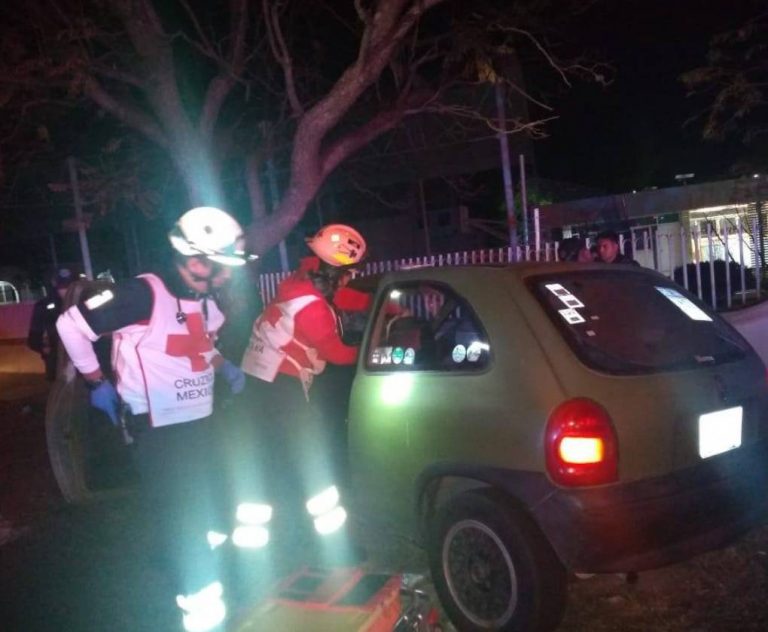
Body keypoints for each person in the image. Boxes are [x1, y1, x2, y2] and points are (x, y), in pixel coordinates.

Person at [56, 207, 253, 632]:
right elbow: (71, 326)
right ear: (195, 261)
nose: (225, 278)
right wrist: (96, 383)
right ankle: (199, 608)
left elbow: (200, 343)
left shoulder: (203, 299)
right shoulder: (142, 294)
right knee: (182, 514)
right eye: (219, 269)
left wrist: (223, 367)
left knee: (210, 504)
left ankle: (205, 571)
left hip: (200, 419)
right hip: (158, 427)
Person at [239, 224, 370, 554]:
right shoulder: (312, 306)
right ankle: (337, 546)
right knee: (312, 459)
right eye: (349, 273)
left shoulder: (300, 283)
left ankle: (279, 542)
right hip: (282, 387)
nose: (351, 279)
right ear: (334, 272)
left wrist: (381, 303)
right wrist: (370, 349)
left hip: (259, 381)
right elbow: (336, 353)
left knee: (274, 461)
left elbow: (344, 297)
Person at [27, 268, 75, 380]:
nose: (67, 290)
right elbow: (33, 339)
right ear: (55, 286)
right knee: (61, 394)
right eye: (62, 287)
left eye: (70, 286)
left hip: (84, 362)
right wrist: (47, 350)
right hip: (57, 362)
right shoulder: (43, 307)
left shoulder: (83, 304)